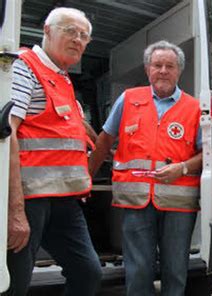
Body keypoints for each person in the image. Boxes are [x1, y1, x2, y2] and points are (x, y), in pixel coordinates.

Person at [88, 40, 202, 296]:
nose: (163, 71)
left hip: (179, 206)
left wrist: (182, 168)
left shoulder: (194, 108)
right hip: (136, 202)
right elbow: (104, 139)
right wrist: (87, 179)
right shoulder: (129, 99)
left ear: (179, 71)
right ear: (147, 69)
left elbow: (207, 153)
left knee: (175, 270)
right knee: (138, 270)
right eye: (157, 65)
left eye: (169, 66)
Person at [6, 7, 102, 296]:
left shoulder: (62, 78)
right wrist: (15, 211)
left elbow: (73, 131)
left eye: (84, 36)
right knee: (15, 283)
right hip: (29, 199)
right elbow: (6, 134)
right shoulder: (24, 66)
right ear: (47, 31)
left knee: (88, 273)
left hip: (64, 202)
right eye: (70, 31)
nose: (78, 39)